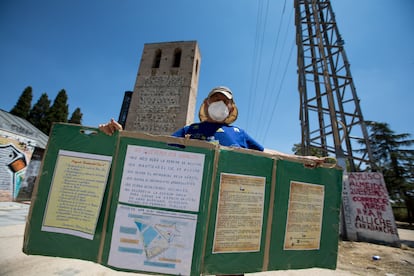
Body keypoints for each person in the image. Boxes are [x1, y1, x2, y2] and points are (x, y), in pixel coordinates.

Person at [99, 86, 264, 152]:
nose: (220, 103)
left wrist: (290, 160)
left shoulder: (240, 133)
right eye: (215, 99)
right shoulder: (189, 130)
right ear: (206, 104)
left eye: (225, 101)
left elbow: (267, 156)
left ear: (231, 107)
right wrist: (120, 135)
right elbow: (156, 149)